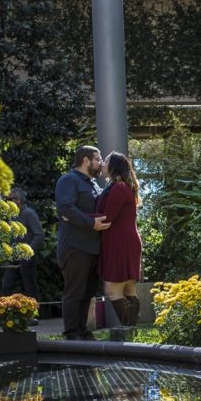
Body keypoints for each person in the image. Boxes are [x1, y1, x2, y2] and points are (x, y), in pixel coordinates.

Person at [55, 145, 110, 340]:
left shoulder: (93, 184)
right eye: (98, 158)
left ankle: (82, 329)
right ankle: (71, 333)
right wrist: (89, 222)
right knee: (75, 292)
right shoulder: (69, 180)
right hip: (75, 247)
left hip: (92, 248)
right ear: (86, 161)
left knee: (87, 293)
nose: (101, 162)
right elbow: (65, 207)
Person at [96, 151, 143, 329]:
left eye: (105, 161)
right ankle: (132, 331)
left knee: (112, 289)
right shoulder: (121, 186)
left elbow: (107, 218)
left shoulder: (119, 188)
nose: (102, 164)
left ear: (114, 166)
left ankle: (127, 329)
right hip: (125, 241)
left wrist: (78, 216)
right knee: (129, 287)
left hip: (120, 242)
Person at [1, 187, 45, 306]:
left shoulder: (28, 213)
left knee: (30, 287)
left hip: (27, 257)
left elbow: (39, 235)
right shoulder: (12, 215)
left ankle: (34, 315)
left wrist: (28, 251)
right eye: (7, 199)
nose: (9, 201)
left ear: (20, 200)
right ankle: (6, 313)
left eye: (12, 199)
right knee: (6, 285)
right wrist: (7, 256)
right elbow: (11, 237)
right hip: (13, 257)